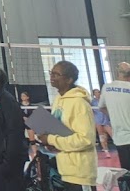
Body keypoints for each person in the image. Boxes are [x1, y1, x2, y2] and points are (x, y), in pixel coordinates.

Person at [36, 61, 96, 191]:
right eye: (51, 73)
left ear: (69, 79)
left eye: (56, 74)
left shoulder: (79, 103)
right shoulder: (58, 100)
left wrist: (51, 139)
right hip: (64, 169)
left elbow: (86, 140)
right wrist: (49, 141)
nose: (52, 76)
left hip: (80, 173)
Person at [100, 61, 130, 170]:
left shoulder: (106, 87)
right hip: (123, 137)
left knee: (126, 171)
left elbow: (101, 107)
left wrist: (114, 116)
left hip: (120, 138)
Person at [91, 88, 112, 154]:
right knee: (101, 135)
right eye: (96, 92)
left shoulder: (103, 100)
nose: (98, 93)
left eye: (98, 92)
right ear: (94, 94)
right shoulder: (93, 102)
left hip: (105, 119)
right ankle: (106, 150)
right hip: (98, 120)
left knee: (111, 133)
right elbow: (91, 111)